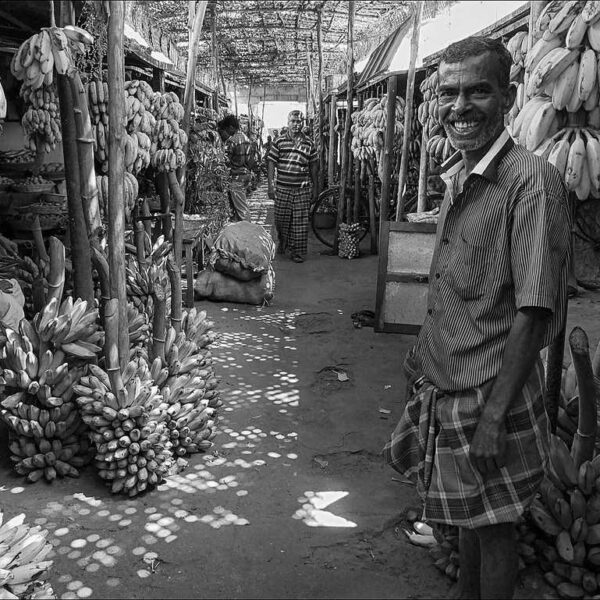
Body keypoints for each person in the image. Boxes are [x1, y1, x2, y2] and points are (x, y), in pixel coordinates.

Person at [383, 37, 571, 599]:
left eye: (478, 91)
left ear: (509, 97)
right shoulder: (460, 174)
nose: (459, 106)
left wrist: (494, 416)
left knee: (493, 531)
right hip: (449, 378)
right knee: (467, 519)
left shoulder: (530, 181)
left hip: (493, 389)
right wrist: (423, 360)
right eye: (449, 92)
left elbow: (535, 309)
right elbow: (455, 283)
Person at [267, 111, 318, 263]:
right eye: (293, 121)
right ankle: (284, 242)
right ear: (288, 122)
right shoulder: (279, 141)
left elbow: (314, 166)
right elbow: (271, 162)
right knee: (281, 220)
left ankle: (297, 251)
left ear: (303, 123)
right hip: (282, 188)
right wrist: (270, 186)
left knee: (300, 222)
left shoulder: (309, 143)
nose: (296, 124)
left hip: (302, 189)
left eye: (299, 121)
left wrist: (315, 187)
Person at [217, 115, 256, 222]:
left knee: (241, 209)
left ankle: (248, 231)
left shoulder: (232, 141)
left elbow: (226, 160)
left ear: (231, 127)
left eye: (226, 129)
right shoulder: (246, 138)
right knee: (239, 207)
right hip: (245, 175)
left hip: (236, 177)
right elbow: (251, 160)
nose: (225, 132)